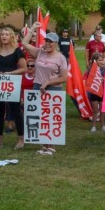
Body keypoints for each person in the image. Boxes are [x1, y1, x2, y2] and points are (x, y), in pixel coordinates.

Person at [21, 24, 68, 155]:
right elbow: (24, 43)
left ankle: (51, 146)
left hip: (53, 89)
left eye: (50, 42)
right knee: (39, 116)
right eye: (46, 41)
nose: (47, 44)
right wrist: (32, 29)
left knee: (51, 117)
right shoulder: (39, 52)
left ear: (56, 44)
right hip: (37, 87)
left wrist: (48, 82)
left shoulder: (60, 58)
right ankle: (43, 145)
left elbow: (64, 77)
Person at [0, 25, 27, 149]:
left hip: (12, 82)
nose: (4, 36)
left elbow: (24, 68)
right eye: (2, 34)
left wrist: (10, 73)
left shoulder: (17, 51)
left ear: (11, 37)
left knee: (16, 111)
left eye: (6, 34)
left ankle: (21, 139)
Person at [87, 53, 105, 133]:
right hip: (94, 91)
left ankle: (103, 125)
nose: (102, 61)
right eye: (100, 60)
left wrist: (104, 78)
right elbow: (89, 79)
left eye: (102, 59)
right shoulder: (91, 69)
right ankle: (94, 126)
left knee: (103, 109)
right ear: (95, 61)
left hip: (102, 91)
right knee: (95, 109)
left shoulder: (104, 69)